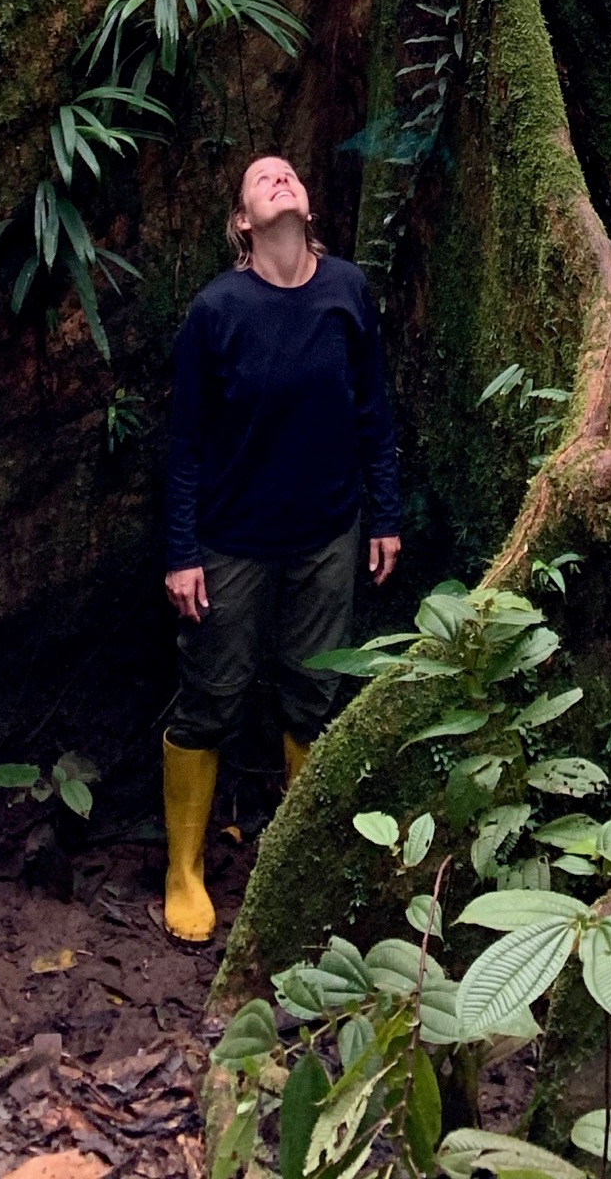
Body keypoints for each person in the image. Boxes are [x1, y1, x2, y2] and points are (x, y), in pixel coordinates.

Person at [158, 152, 403, 942]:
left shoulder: (347, 293)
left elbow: (374, 412)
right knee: (213, 695)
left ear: (307, 206)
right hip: (232, 541)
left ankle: (293, 862)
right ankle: (185, 871)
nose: (281, 179)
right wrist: (181, 550)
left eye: (291, 173)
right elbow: (186, 443)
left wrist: (385, 516)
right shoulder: (217, 310)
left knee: (313, 694)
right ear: (242, 222)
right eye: (262, 179)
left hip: (327, 535)